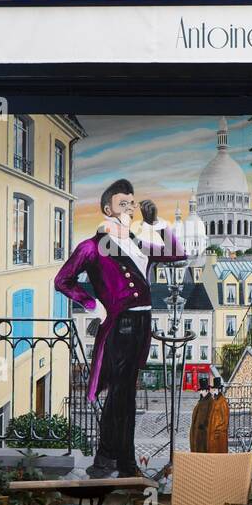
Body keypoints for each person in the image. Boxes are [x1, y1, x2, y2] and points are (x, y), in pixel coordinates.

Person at [54, 178, 184, 477]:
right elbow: (63, 280)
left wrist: (157, 223)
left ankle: (109, 459)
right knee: (121, 395)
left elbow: (177, 253)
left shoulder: (138, 244)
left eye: (131, 204)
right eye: (122, 204)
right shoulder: (92, 247)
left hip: (142, 324)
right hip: (120, 326)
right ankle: (118, 462)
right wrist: (92, 305)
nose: (129, 209)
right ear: (106, 209)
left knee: (124, 395)